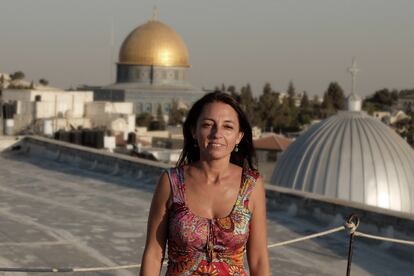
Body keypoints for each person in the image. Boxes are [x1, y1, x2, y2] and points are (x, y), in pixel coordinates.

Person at [140, 91, 270, 275]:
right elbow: (153, 254)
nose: (217, 133)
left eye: (228, 127)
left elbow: (259, 260)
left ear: (239, 136)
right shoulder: (171, 182)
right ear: (194, 131)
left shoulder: (251, 185)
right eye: (208, 125)